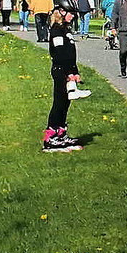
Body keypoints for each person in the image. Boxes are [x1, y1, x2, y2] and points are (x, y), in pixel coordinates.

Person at [42, 10, 84, 152]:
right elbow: (59, 53)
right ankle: (50, 136)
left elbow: (70, 53)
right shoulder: (56, 30)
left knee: (66, 103)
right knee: (59, 102)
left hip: (68, 70)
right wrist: (67, 73)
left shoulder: (66, 30)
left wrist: (75, 71)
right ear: (62, 12)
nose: (73, 16)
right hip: (60, 70)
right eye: (70, 13)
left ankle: (61, 133)